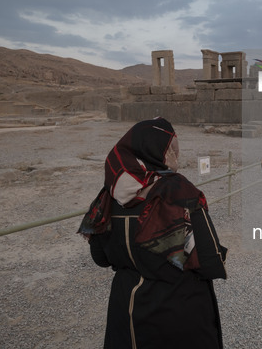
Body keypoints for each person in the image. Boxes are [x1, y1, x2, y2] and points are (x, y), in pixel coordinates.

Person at [78, 117, 227, 349]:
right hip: (177, 311)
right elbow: (210, 260)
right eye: (171, 150)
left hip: (126, 310)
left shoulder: (109, 194)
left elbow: (100, 257)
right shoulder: (178, 191)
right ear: (156, 151)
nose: (175, 156)